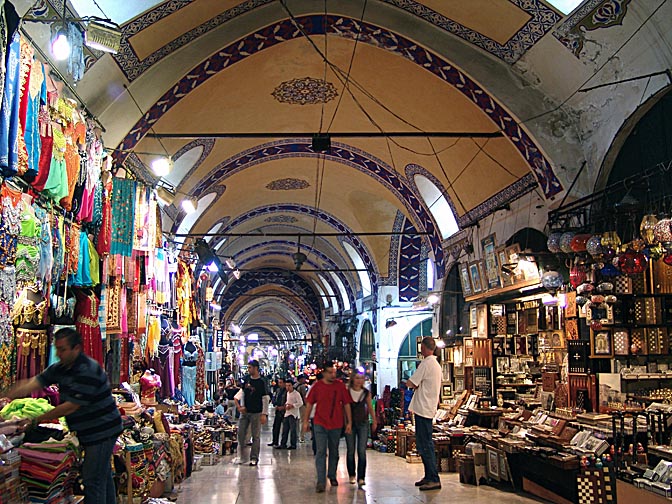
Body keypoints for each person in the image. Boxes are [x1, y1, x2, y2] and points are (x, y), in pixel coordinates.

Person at [2, 328, 122, 503]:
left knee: (92, 480)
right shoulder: (62, 368)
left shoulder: (87, 370)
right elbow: (33, 383)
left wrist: (35, 420)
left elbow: (70, 407)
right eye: (57, 349)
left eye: (63, 349)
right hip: (91, 430)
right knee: (101, 476)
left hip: (102, 432)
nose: (58, 354)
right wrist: (8, 394)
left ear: (76, 349)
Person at [302, 361, 352, 493]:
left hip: (336, 423)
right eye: (330, 372)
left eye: (334, 372)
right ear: (324, 373)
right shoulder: (317, 386)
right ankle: (321, 480)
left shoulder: (340, 386)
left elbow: (346, 404)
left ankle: (332, 474)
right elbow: (309, 404)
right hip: (320, 423)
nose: (333, 375)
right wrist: (306, 421)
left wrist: (349, 422)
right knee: (321, 451)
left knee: (334, 451)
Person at [407, 337, 442, 491]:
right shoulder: (435, 365)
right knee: (424, 443)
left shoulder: (427, 363)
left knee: (425, 444)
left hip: (423, 409)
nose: (420, 349)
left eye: (421, 347)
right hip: (428, 407)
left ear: (425, 348)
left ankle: (433, 478)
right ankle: (428, 476)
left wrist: (408, 383)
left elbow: (412, 383)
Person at [234, 360, 270, 466]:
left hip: (257, 412)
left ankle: (254, 458)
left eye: (250, 367)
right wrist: (241, 406)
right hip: (245, 412)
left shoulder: (262, 382)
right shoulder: (246, 379)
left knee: (256, 436)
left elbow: (265, 398)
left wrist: (264, 413)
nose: (248, 369)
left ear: (255, 368)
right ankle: (242, 457)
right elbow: (243, 394)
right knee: (241, 434)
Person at [345, 368, 377, 488]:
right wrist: (347, 422)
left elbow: (369, 407)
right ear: (353, 378)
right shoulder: (347, 391)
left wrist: (374, 420)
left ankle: (361, 477)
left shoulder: (366, 393)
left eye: (361, 378)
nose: (359, 381)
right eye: (357, 378)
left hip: (363, 423)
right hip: (350, 424)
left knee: (362, 451)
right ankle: (352, 474)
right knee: (350, 450)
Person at [278, 380, 303, 450]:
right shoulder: (287, 393)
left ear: (292, 386)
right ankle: (283, 444)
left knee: (293, 430)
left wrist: (293, 406)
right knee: (285, 430)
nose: (287, 387)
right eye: (286, 386)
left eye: (289, 386)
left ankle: (293, 444)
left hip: (293, 414)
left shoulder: (296, 394)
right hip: (287, 413)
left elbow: (300, 403)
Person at [268, 377, 286, 448]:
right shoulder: (278, 390)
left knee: (285, 428)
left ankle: (283, 443)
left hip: (284, 411)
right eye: (279, 382)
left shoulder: (286, 391)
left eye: (281, 382)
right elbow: (274, 398)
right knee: (275, 426)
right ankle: (275, 441)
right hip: (278, 410)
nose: (279, 384)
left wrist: (283, 407)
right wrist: (275, 404)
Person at [295, 375, 309, 442]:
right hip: (302, 405)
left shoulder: (294, 385)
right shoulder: (302, 386)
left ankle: (296, 436)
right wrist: (306, 405)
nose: (305, 380)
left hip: (295, 405)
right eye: (304, 379)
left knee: (297, 421)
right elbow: (304, 396)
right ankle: (302, 437)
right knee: (302, 420)